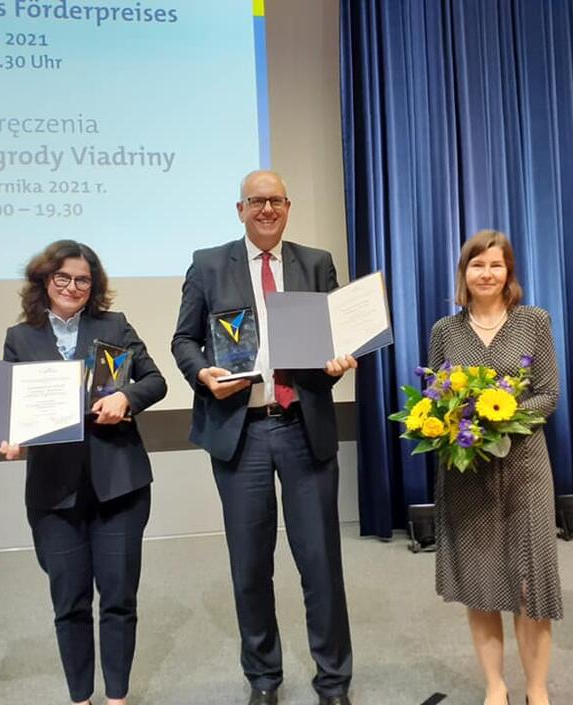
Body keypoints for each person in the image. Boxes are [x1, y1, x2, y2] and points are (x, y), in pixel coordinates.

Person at [171, 170, 358, 705]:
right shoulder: (209, 264)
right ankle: (263, 678)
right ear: (240, 209)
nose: (267, 209)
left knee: (321, 563)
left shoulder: (315, 263)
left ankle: (334, 681)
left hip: (303, 427)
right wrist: (203, 373)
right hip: (241, 433)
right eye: (257, 201)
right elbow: (184, 339)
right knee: (250, 565)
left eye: (275, 200)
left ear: (288, 206)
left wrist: (340, 361)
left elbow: (338, 339)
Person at [0, 240, 167, 705]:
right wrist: (12, 438)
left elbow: (155, 380)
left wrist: (126, 398)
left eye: (83, 280)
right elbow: (12, 407)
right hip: (54, 492)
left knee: (118, 598)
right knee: (69, 602)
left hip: (120, 485)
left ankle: (117, 698)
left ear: (94, 286)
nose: (73, 287)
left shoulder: (114, 325)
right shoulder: (21, 337)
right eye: (63, 278)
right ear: (45, 281)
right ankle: (81, 698)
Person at [427, 230, 562, 705]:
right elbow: (435, 397)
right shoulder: (446, 330)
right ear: (464, 273)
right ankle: (495, 687)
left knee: (531, 584)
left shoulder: (533, 322)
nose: (486, 273)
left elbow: (548, 393)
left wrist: (503, 416)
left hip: (525, 467)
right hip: (467, 472)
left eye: (496, 265)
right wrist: (455, 421)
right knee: (481, 585)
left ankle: (537, 691)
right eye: (477, 265)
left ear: (509, 273)